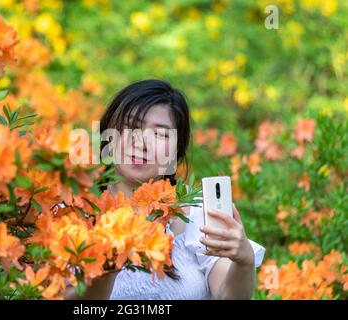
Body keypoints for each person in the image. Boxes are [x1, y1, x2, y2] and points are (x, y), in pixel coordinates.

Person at [66, 79, 265, 300]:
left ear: (176, 152)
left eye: (160, 135)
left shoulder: (197, 218)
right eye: (132, 127)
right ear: (108, 134)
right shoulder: (69, 213)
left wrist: (244, 261)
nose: (141, 143)